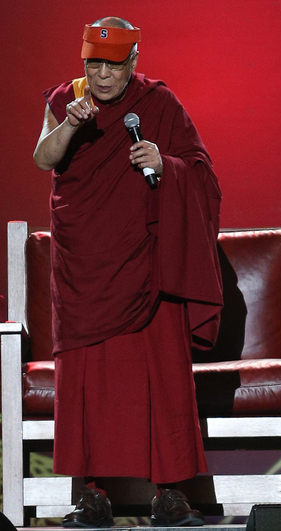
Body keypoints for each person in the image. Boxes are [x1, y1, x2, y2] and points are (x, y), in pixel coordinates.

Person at [33, 16, 223, 528]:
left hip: (144, 259)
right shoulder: (67, 98)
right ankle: (91, 497)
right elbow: (43, 157)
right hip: (84, 264)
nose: (100, 77)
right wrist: (71, 123)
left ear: (133, 62)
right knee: (86, 381)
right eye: (93, 64)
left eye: (112, 66)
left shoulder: (158, 104)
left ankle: (170, 496)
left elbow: (201, 173)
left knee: (160, 376)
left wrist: (165, 164)